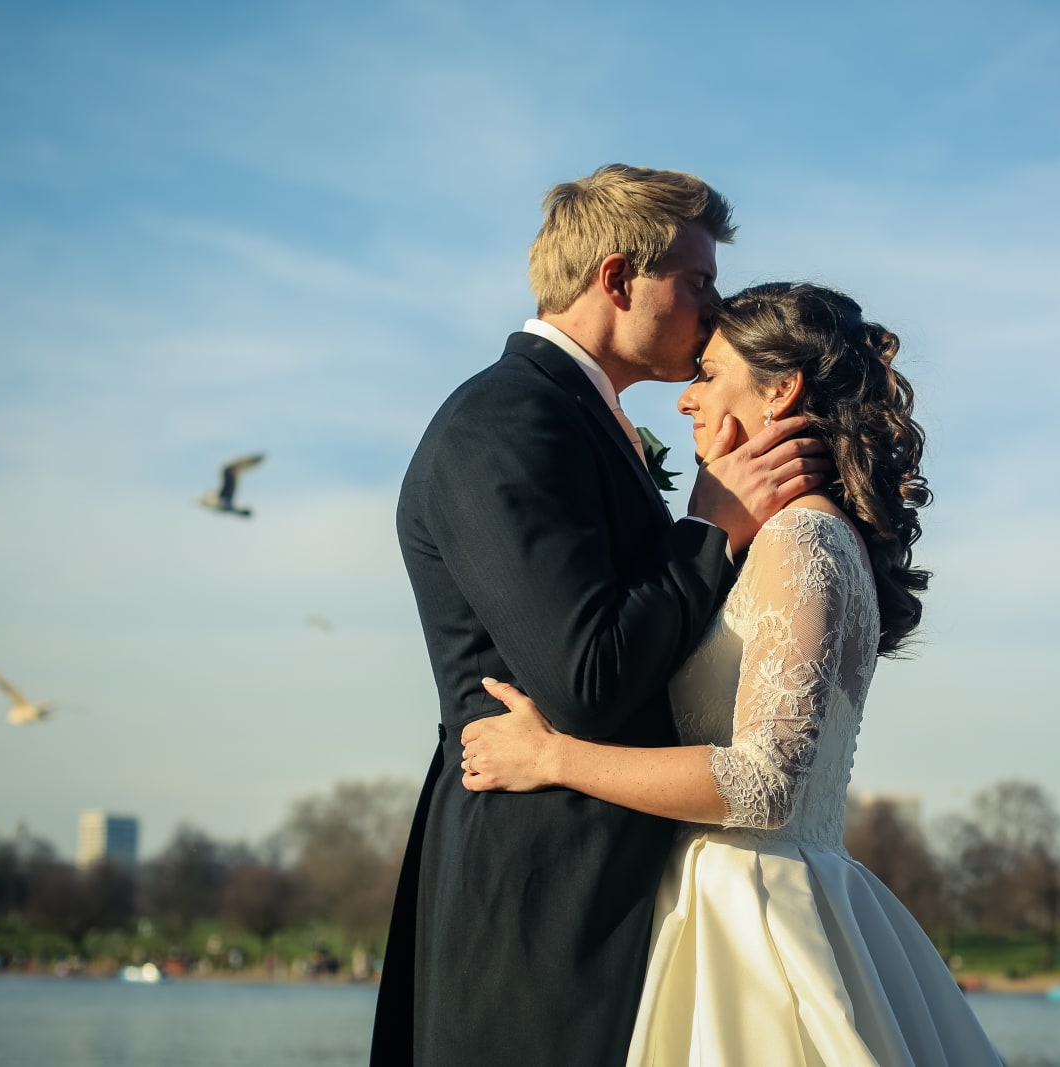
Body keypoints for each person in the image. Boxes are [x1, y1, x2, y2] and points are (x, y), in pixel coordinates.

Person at [461, 283, 1004, 1066]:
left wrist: (551, 757)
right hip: (736, 894)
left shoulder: (802, 541)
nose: (686, 399)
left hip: (753, 916)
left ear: (781, 390)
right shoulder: (782, 537)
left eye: (710, 374)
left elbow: (764, 784)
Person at [369, 165, 828, 1067]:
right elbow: (586, 677)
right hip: (539, 897)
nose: (715, 304)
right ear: (619, 280)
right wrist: (708, 528)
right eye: (697, 282)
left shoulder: (578, 416)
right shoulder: (506, 419)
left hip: (616, 878)